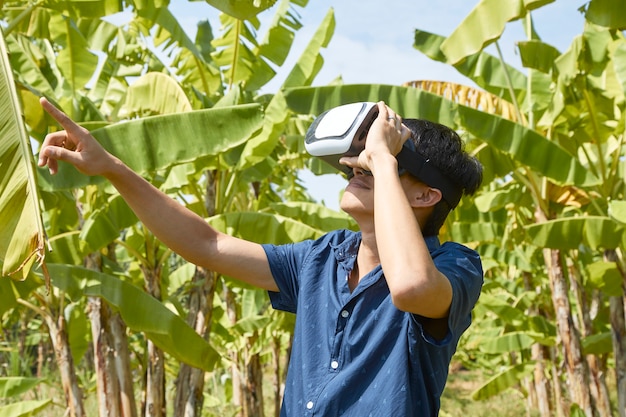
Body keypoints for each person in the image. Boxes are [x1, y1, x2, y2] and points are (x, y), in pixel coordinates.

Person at [38, 98, 483, 416]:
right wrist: (113, 168)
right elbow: (207, 245)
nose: (357, 164)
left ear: (427, 194)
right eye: (361, 158)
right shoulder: (323, 258)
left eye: (381, 159)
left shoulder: (454, 266)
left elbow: (409, 287)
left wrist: (383, 160)